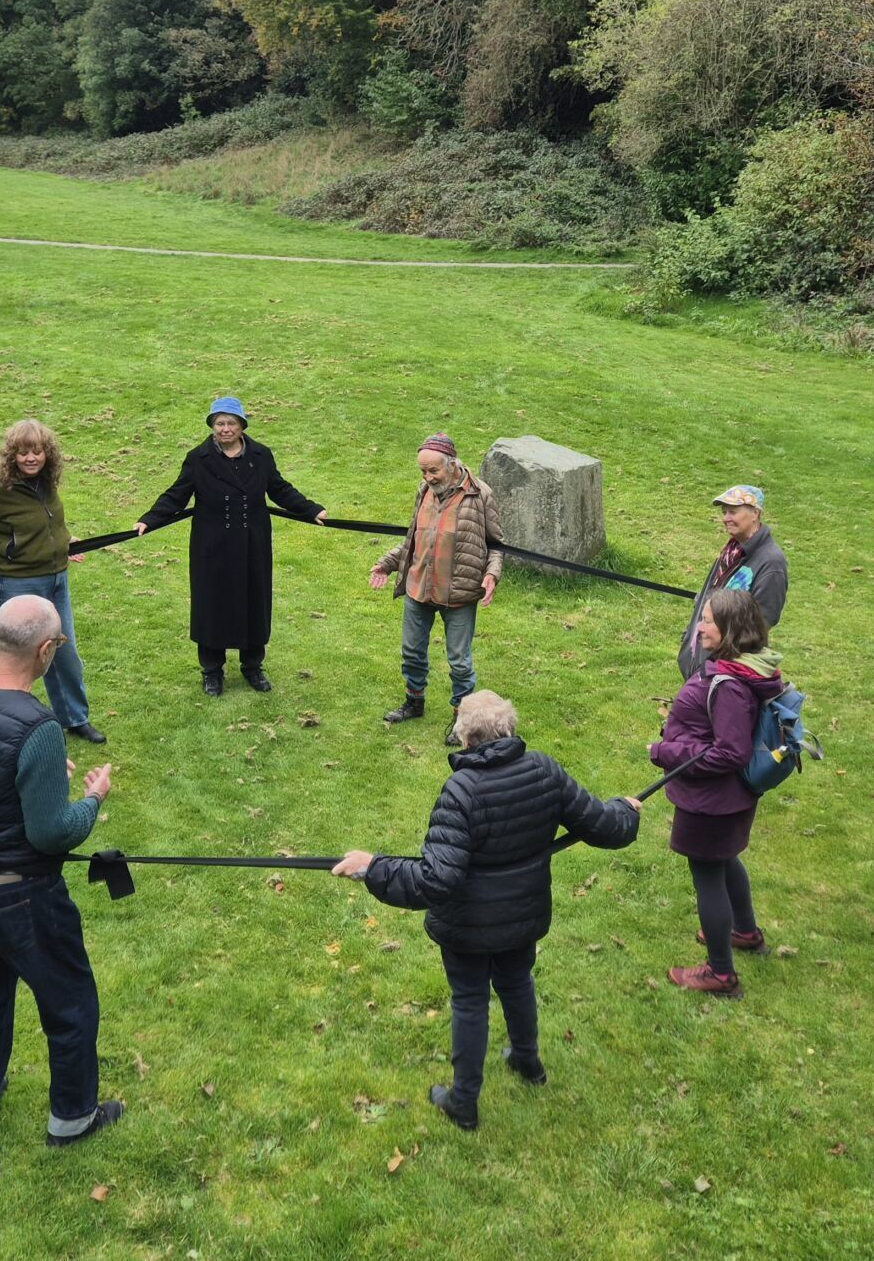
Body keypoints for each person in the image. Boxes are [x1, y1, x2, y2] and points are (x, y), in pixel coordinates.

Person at [331, 690, 642, 1130]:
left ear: (465, 738)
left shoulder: (463, 791)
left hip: (469, 926)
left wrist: (373, 868)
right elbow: (604, 824)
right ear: (509, 728)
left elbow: (434, 880)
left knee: (471, 1001)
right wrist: (624, 812)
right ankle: (526, 1063)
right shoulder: (543, 770)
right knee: (517, 982)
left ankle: (468, 1098)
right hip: (522, 916)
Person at [0, 594, 125, 1145]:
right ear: (44, 651)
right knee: (69, 1002)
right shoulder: (37, 725)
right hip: (19, 893)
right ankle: (72, 1118)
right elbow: (51, 833)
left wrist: (34, 774)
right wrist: (92, 800)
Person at [134, 396, 328, 697]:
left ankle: (253, 666)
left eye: (231, 423)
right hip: (212, 547)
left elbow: (279, 488)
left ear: (242, 426)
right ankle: (212, 671)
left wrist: (311, 509)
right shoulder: (198, 458)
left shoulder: (261, 456)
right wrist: (150, 519)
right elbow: (177, 494)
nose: (225, 429)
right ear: (212, 426)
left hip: (253, 544)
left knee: (255, 603)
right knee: (211, 605)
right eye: (219, 423)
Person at [652, 586, 784, 999]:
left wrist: (666, 751)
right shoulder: (743, 667)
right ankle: (744, 931)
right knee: (726, 861)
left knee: (707, 874)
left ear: (729, 628)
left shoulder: (728, 684)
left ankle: (720, 974)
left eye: (707, 619)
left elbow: (730, 751)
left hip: (711, 801)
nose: (701, 625)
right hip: (728, 799)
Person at [0, 418, 104, 744]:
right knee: (13, 659)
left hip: (55, 581)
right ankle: (7, 726)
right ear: (12, 456)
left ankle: (74, 718)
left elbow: (49, 524)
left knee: (64, 653)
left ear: (47, 453)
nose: (31, 458)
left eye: (37, 451)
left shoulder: (46, 484)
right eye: (23, 453)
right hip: (14, 585)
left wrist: (64, 541)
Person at [368, 434, 502, 744]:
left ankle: (462, 720)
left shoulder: (480, 495)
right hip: (419, 587)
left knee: (459, 661)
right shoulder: (424, 492)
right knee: (412, 651)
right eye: (423, 472)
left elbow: (496, 545)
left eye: (433, 471)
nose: (428, 478)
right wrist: (387, 564)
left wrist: (492, 574)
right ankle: (414, 703)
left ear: (452, 465)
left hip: (458, 594)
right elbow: (414, 540)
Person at [677, 484, 787, 678]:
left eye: (733, 512)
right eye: (724, 512)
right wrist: (690, 636)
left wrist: (719, 666)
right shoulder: (731, 551)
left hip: (728, 674)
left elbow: (762, 622)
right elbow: (707, 598)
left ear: (755, 513)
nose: (726, 518)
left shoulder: (771, 562)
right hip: (702, 664)